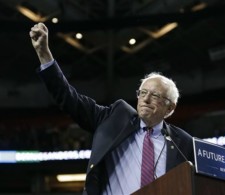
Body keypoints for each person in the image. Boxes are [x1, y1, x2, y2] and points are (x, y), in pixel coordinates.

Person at [29, 22, 194, 195]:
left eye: (155, 95)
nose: (145, 98)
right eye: (143, 92)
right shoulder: (115, 118)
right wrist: (44, 54)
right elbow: (71, 100)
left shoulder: (183, 142)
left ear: (170, 108)